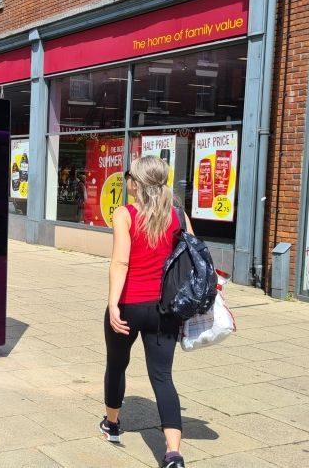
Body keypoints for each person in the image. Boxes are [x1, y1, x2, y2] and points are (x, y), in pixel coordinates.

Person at [101, 156, 191, 468]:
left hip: (129, 305)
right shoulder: (177, 214)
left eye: (129, 175)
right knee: (163, 377)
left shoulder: (125, 214)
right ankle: (173, 453)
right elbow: (191, 255)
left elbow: (121, 262)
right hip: (166, 309)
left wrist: (113, 303)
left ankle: (112, 423)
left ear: (136, 183)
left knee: (117, 365)